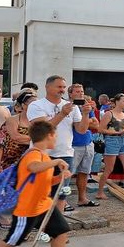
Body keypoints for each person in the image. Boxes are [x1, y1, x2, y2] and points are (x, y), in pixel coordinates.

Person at [27, 75, 91, 212]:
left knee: (61, 193)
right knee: (40, 191)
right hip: (42, 155)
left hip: (65, 154)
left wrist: (85, 114)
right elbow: (42, 130)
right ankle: (37, 222)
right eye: (58, 87)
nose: (62, 90)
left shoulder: (71, 106)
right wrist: (61, 114)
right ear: (47, 87)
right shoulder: (36, 105)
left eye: (63, 87)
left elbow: (81, 130)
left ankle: (57, 224)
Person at [67, 83, 98, 207]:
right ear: (70, 94)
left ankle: (82, 198)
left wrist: (83, 121)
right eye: (77, 91)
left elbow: (96, 124)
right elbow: (75, 125)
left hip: (87, 142)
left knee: (84, 172)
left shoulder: (86, 106)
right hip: (73, 144)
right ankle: (63, 201)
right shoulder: (68, 107)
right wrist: (83, 122)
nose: (81, 94)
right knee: (68, 175)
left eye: (82, 91)